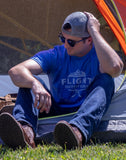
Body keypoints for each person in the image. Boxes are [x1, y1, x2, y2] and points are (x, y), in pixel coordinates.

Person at [0, 11, 123, 150]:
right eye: (62, 38)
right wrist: (35, 84)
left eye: (71, 42)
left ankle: (77, 132)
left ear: (89, 40)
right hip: (55, 108)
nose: (65, 45)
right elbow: (15, 71)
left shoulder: (100, 55)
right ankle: (25, 133)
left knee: (106, 80)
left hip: (85, 110)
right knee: (28, 82)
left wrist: (94, 30)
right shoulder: (57, 54)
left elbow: (115, 68)